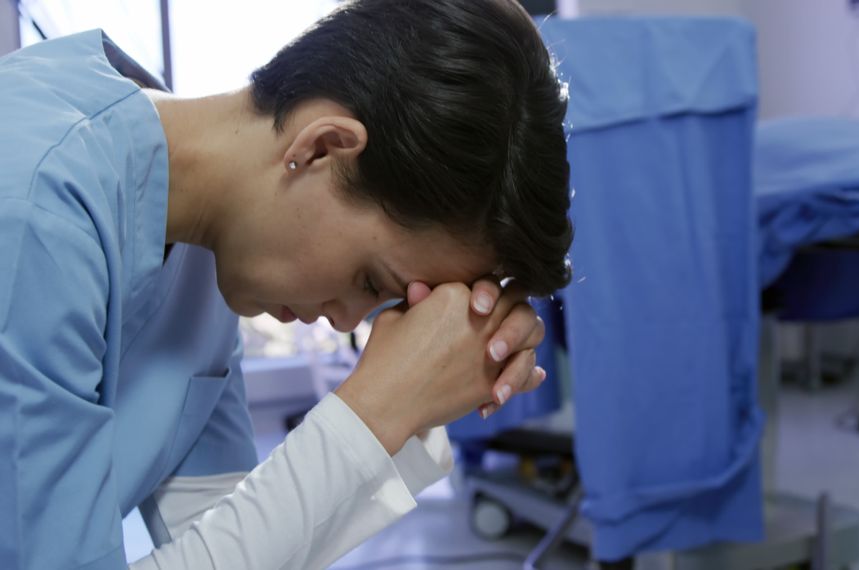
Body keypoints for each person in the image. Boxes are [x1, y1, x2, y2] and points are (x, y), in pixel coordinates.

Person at [0, 0, 572, 567]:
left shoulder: (203, 253)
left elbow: (227, 541)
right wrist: (377, 408)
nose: (351, 321)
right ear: (321, 147)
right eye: (371, 280)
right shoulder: (32, 209)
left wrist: (411, 407)